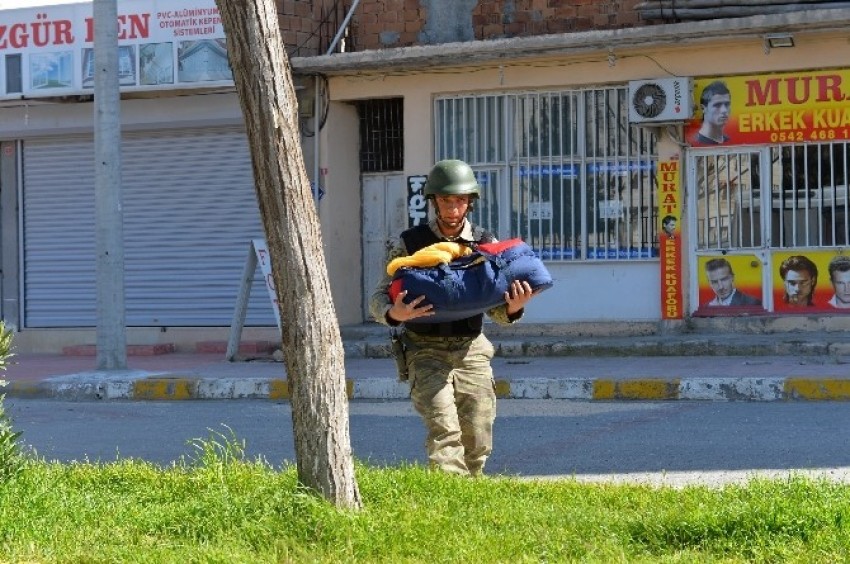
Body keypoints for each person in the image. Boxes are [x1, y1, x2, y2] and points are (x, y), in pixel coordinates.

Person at [369, 159, 536, 477]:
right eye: (446, 200)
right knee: (445, 433)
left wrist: (514, 307)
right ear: (434, 201)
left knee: (477, 437)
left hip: (472, 350)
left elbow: (496, 310)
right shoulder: (410, 243)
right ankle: (450, 500)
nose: (453, 208)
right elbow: (378, 297)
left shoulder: (485, 243)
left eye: (460, 200)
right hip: (424, 350)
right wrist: (394, 313)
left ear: (470, 202)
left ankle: (469, 499)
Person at [693, 80, 731, 145]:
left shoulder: (728, 140)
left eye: (727, 104)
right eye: (717, 105)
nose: (724, 110)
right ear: (703, 108)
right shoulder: (697, 141)